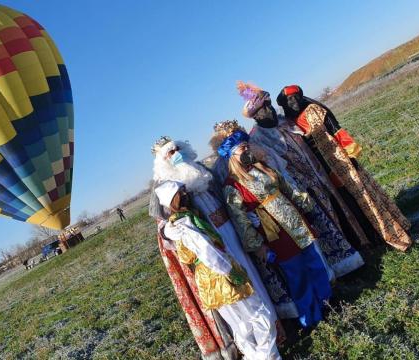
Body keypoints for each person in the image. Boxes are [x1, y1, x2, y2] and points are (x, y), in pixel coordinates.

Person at [150, 136, 297, 321]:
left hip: (230, 227)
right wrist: (166, 231)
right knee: (232, 282)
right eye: (170, 153)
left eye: (177, 149)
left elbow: (226, 195)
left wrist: (246, 211)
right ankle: (257, 327)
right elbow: (162, 222)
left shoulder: (200, 169)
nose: (176, 154)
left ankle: (273, 318)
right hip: (208, 239)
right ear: (163, 161)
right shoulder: (162, 185)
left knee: (250, 270)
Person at [237, 83, 365, 278]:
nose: (269, 109)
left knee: (339, 208)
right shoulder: (256, 140)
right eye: (264, 108)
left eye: (270, 105)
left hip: (318, 174)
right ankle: (342, 267)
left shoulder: (285, 122)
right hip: (299, 188)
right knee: (322, 225)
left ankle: (357, 244)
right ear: (256, 115)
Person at [218, 125, 332, 328]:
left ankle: (327, 302)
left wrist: (306, 205)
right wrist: (258, 246)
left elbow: (288, 188)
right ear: (231, 155)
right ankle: (311, 316)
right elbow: (241, 221)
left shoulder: (263, 167)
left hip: (295, 222)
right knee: (297, 275)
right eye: (242, 148)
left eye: (247, 146)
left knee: (314, 263)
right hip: (276, 234)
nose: (247, 151)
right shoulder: (232, 186)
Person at [276, 85, 412, 251]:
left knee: (361, 194)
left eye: (296, 97)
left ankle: (385, 231)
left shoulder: (314, 110)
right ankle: (366, 237)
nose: (294, 102)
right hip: (321, 170)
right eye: (289, 100)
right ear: (284, 104)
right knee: (347, 202)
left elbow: (337, 131)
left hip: (340, 161)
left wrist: (351, 153)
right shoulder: (289, 125)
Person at [156, 180, 281, 359]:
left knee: (240, 323)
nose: (185, 195)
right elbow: (206, 250)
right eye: (180, 193)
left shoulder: (182, 220)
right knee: (259, 314)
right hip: (220, 274)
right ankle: (268, 357)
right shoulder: (184, 222)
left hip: (207, 279)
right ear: (173, 200)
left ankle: (255, 356)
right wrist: (230, 272)